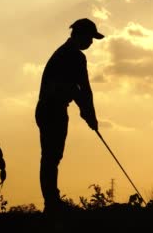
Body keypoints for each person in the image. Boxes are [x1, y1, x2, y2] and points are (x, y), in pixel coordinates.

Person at [35, 18, 104, 215]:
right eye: (90, 37)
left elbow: (80, 89)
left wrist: (88, 113)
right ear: (79, 35)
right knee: (51, 157)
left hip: (50, 109)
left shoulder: (66, 53)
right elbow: (80, 89)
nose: (91, 42)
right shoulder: (73, 56)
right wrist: (89, 114)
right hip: (52, 109)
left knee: (51, 157)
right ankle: (52, 203)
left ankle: (52, 201)